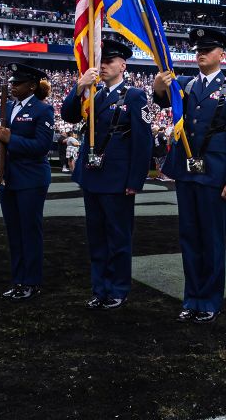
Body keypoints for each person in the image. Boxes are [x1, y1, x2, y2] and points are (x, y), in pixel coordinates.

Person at [153, 27, 226, 324]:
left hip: (215, 175)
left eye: (207, 49)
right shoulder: (185, 84)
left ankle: (210, 300)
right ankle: (191, 298)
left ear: (222, 54)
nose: (201, 53)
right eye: (198, 49)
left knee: (212, 240)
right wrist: (158, 85)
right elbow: (162, 100)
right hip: (187, 173)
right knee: (189, 239)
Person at [61, 36, 151, 311]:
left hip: (117, 180)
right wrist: (79, 89)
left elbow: (142, 141)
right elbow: (68, 116)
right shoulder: (94, 95)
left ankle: (118, 289)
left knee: (118, 238)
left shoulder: (134, 96)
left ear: (123, 65)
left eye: (109, 61)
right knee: (97, 238)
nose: (103, 66)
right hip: (93, 177)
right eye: (101, 61)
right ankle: (99, 288)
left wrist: (135, 180)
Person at [0, 63, 55, 301]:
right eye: (12, 82)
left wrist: (12, 139)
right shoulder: (7, 107)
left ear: (31, 86)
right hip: (8, 178)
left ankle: (31, 281)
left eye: (18, 83)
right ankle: (18, 280)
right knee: (14, 233)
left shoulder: (42, 110)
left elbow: (42, 147)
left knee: (29, 232)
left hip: (31, 178)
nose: (13, 86)